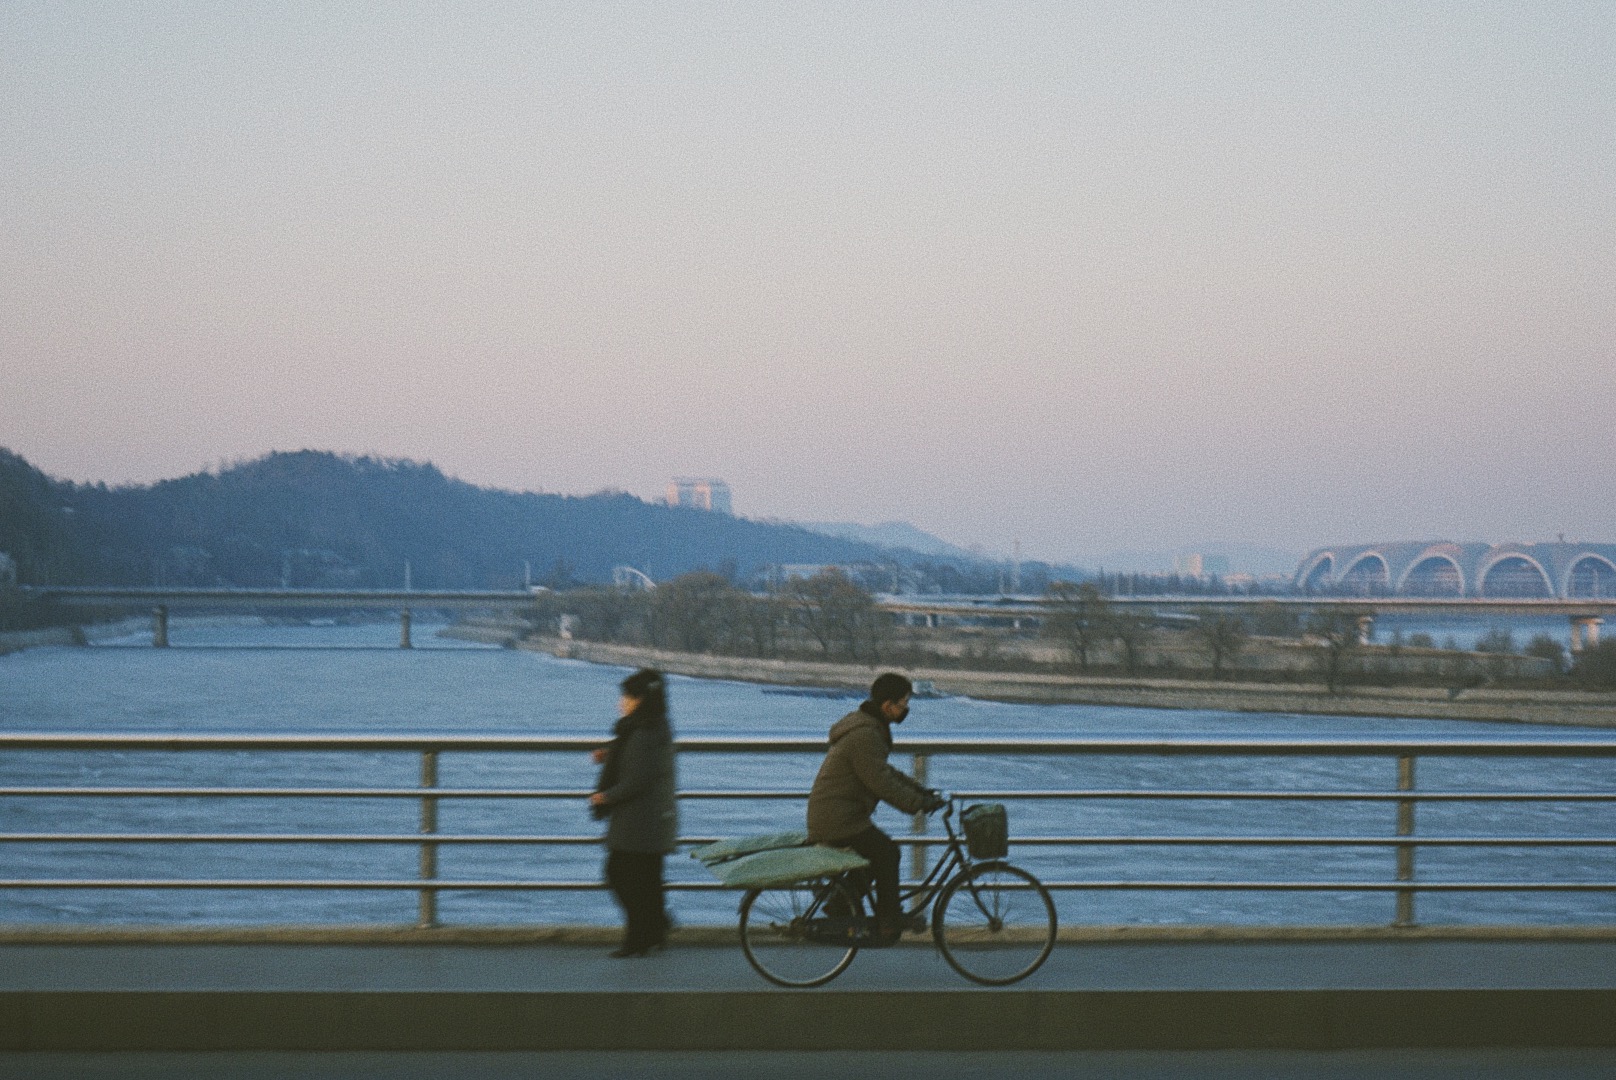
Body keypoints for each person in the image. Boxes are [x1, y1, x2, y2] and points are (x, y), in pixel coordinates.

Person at [806, 671, 943, 945]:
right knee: (887, 852)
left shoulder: (868, 727)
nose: (906, 709)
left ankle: (841, 907)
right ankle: (888, 921)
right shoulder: (866, 735)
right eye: (903, 703)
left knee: (872, 854)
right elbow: (880, 782)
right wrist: (916, 803)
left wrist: (921, 791)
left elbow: (884, 771)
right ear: (887, 705)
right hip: (838, 819)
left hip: (841, 814)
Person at [590, 668, 678, 958]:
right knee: (648, 880)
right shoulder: (654, 726)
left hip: (639, 821)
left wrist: (604, 796)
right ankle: (652, 931)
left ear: (639, 699)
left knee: (619, 874)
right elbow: (637, 759)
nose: (620, 703)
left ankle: (643, 933)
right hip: (653, 818)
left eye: (625, 697)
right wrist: (610, 753)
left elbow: (637, 780)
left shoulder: (643, 731)